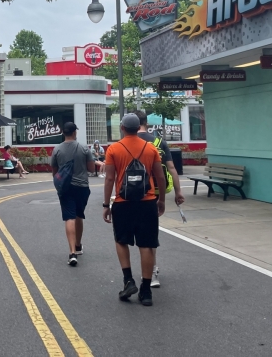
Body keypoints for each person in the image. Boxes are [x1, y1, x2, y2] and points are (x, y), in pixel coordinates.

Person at [103, 113, 165, 305]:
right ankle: (146, 291)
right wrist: (161, 199)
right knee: (146, 244)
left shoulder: (114, 149)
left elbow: (110, 179)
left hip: (123, 202)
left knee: (121, 240)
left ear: (122, 127)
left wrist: (106, 205)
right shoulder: (150, 148)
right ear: (139, 128)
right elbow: (160, 177)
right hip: (147, 202)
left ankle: (128, 279)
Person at [135, 110, 185, 288]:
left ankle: (145, 272)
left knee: (135, 234)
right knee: (150, 232)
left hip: (134, 192)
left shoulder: (130, 142)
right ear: (146, 122)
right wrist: (178, 192)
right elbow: (171, 168)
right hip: (155, 191)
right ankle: (152, 270)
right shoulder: (158, 142)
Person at [51, 122, 96, 266]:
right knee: (78, 215)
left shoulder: (56, 149)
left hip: (65, 187)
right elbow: (91, 168)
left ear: (63, 133)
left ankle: (72, 253)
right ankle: (78, 245)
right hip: (82, 186)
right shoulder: (83, 148)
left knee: (69, 218)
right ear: (75, 132)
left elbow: (55, 172)